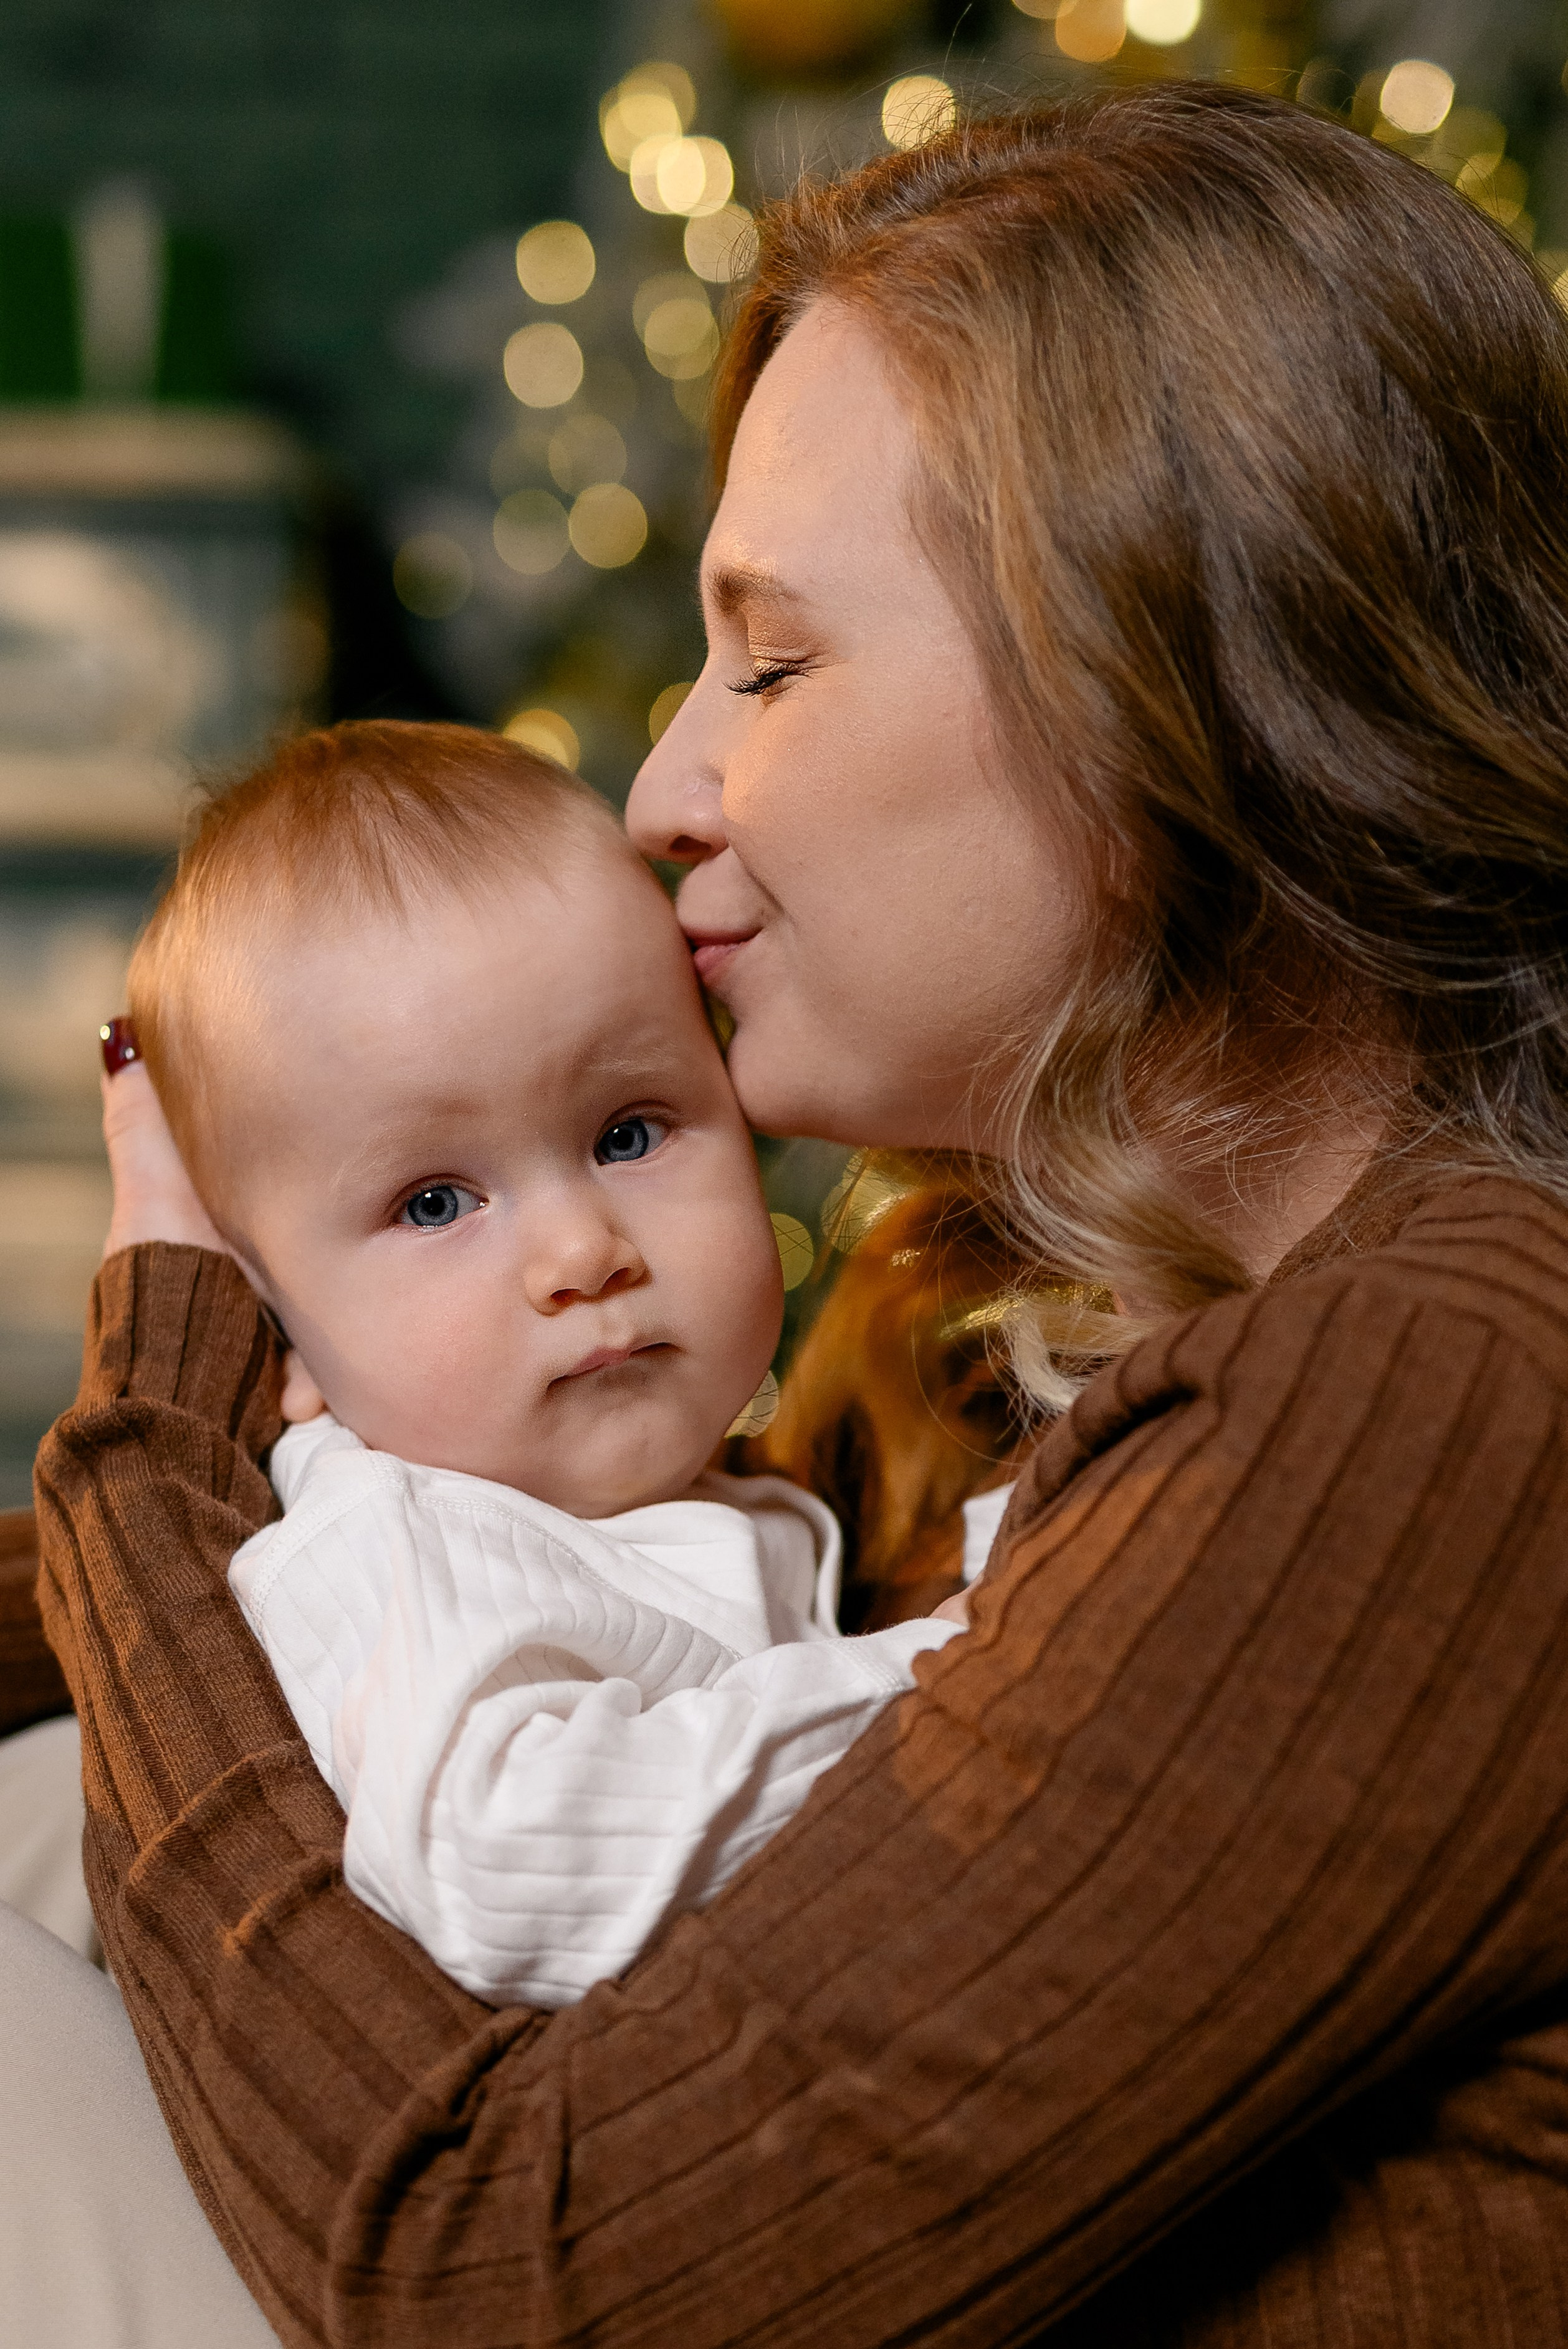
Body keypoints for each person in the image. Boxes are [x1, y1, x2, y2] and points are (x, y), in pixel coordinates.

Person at [16, 76, 1568, 2345]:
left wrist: (149, 1446)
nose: (657, 792)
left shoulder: (1435, 1396)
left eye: (771, 657)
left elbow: (519, 2291)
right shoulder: (1030, 1344)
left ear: (1168, 674)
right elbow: (468, 1575)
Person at [123, 717, 968, 2009]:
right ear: (278, 1321)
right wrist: (964, 1677)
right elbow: (514, 1857)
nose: (581, 1249)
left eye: (628, 1131)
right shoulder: (403, 1547)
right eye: (432, 1203)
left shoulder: (693, 1504)